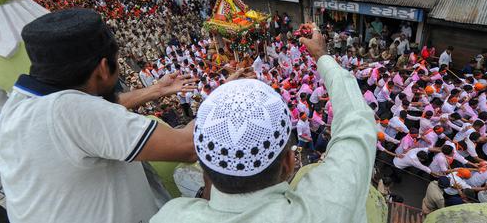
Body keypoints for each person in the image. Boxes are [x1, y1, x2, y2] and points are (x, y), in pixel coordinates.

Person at [151, 24, 376, 223]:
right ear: (288, 163)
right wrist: (322, 56)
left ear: (205, 174)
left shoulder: (171, 216)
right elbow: (356, 122)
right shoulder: (325, 208)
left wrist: (224, 93)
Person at [0, 9, 199, 223]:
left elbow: (95, 113)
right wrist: (224, 98)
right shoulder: (72, 112)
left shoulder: (18, 105)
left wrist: (156, 91)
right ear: (103, 67)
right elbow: (189, 146)